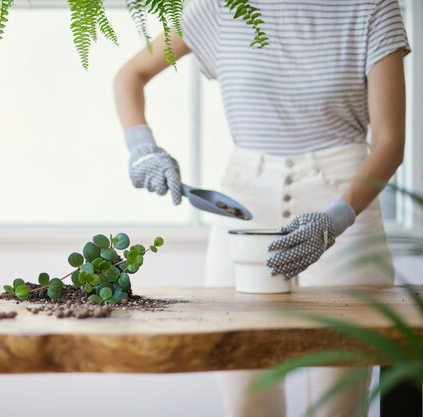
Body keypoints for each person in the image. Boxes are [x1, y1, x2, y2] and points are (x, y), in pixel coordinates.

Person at [113, 0, 410, 416]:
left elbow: (390, 144)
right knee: (248, 403)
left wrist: (334, 220)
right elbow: (130, 76)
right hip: (245, 209)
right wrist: (142, 148)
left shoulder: (372, 7)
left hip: (345, 210)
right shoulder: (221, 7)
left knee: (338, 408)